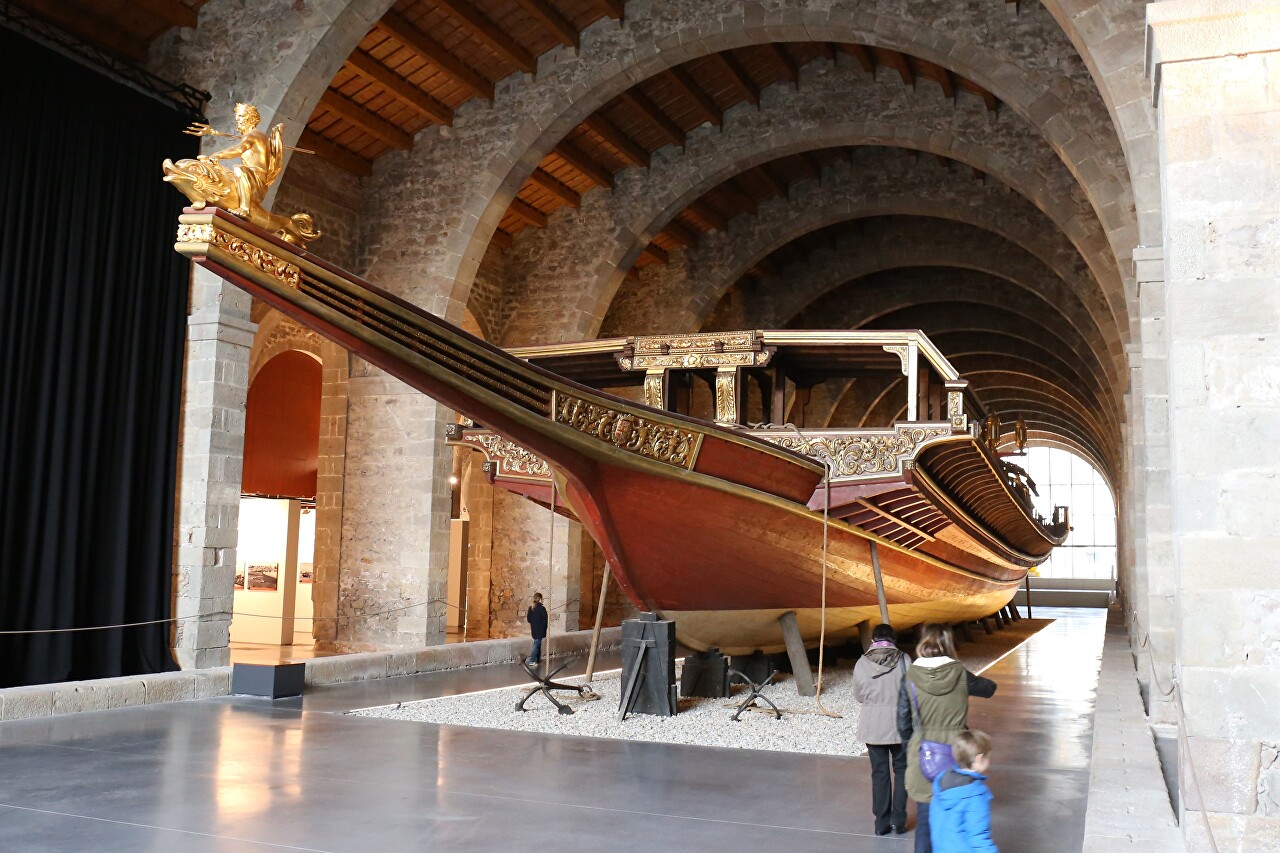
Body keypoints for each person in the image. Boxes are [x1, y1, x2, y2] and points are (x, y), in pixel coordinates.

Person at [896, 624, 997, 853]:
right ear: (950, 643)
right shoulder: (960, 674)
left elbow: (902, 721)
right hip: (957, 755)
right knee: (958, 819)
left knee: (925, 820)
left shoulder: (909, 677)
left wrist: (912, 747)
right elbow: (990, 688)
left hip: (923, 755)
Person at [853, 623, 912, 836]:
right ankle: (898, 818)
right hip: (900, 726)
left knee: (879, 773)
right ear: (894, 640)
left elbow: (858, 696)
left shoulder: (862, 663)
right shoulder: (905, 660)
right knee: (902, 771)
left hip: (873, 726)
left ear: (873, 640)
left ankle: (881, 822)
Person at [929, 730, 998, 852]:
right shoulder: (975, 794)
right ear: (979, 758)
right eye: (988, 757)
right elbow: (978, 838)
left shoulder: (942, 782)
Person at [526, 592, 548, 665]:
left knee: (538, 643)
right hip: (540, 629)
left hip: (534, 629)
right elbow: (545, 620)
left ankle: (537, 659)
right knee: (536, 644)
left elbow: (529, 619)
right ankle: (532, 660)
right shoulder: (542, 608)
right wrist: (545, 628)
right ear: (540, 599)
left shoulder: (531, 608)